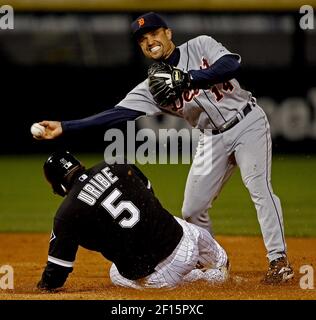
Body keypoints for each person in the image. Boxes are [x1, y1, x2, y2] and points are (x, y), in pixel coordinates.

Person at [34, 12, 293, 284]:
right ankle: (213, 267)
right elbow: (116, 114)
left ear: (168, 33)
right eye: (143, 39)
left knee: (259, 188)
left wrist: (189, 78)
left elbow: (231, 65)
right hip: (211, 138)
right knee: (193, 209)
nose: (150, 41)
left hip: (246, 120)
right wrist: (66, 126)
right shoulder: (150, 88)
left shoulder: (200, 45)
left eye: (154, 33)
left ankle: (279, 261)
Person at [37, 150, 230, 291]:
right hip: (187, 236)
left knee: (115, 272)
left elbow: (56, 274)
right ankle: (220, 260)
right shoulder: (117, 164)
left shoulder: (66, 215)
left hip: (166, 271)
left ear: (59, 186)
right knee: (164, 220)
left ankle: (207, 278)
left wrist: (42, 286)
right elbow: (149, 194)